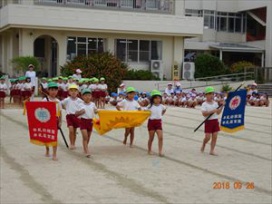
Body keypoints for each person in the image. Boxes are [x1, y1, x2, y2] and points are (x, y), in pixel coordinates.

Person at [201, 86, 224, 156]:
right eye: (210, 94)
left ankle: (212, 150)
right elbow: (204, 114)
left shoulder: (215, 103)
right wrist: (212, 111)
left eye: (212, 94)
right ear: (206, 95)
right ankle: (204, 143)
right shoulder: (204, 104)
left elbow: (218, 113)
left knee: (215, 136)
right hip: (208, 122)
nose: (212, 95)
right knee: (207, 137)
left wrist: (221, 106)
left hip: (215, 121)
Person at [42, 82, 62, 161]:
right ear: (48, 90)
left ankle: (54, 154)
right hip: (46, 121)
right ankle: (47, 149)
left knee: (54, 137)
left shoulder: (58, 101)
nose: (54, 92)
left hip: (55, 121)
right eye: (52, 90)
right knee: (47, 137)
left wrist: (60, 122)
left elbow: (60, 113)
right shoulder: (44, 100)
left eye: (55, 90)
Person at [75, 89, 98, 157]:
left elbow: (95, 111)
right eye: (85, 95)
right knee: (85, 137)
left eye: (89, 95)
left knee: (88, 137)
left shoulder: (93, 104)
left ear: (91, 96)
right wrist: (80, 112)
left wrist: (97, 111)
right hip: (83, 121)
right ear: (82, 96)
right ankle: (86, 150)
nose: (87, 97)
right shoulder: (80, 104)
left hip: (90, 121)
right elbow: (76, 114)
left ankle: (85, 147)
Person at [61, 84, 83, 150]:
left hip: (76, 117)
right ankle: (71, 143)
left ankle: (73, 143)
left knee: (74, 131)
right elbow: (61, 104)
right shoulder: (67, 100)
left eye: (75, 91)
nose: (73, 92)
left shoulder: (79, 101)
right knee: (71, 130)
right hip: (69, 116)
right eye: (71, 91)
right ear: (69, 92)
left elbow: (82, 108)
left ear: (77, 92)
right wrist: (65, 108)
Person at [146, 90, 166, 157]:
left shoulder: (162, 106)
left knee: (161, 137)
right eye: (156, 98)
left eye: (159, 98)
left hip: (158, 122)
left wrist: (161, 115)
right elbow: (144, 112)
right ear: (152, 99)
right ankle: (149, 150)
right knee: (151, 138)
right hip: (151, 123)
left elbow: (164, 110)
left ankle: (160, 151)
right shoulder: (149, 106)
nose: (158, 100)